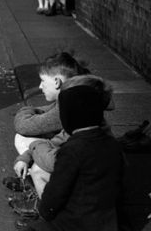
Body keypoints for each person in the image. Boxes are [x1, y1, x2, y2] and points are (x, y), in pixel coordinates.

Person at [18, 77, 124, 231]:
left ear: (68, 117)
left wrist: (46, 214)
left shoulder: (72, 150)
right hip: (105, 221)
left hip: (75, 223)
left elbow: (57, 191)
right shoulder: (112, 143)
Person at [6, 52, 90, 197]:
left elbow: (24, 126)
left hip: (78, 174)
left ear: (57, 82)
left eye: (43, 81)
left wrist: (31, 154)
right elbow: (60, 139)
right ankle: (32, 178)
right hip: (81, 166)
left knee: (25, 141)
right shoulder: (76, 101)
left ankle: (41, 199)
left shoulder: (68, 109)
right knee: (40, 146)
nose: (40, 86)